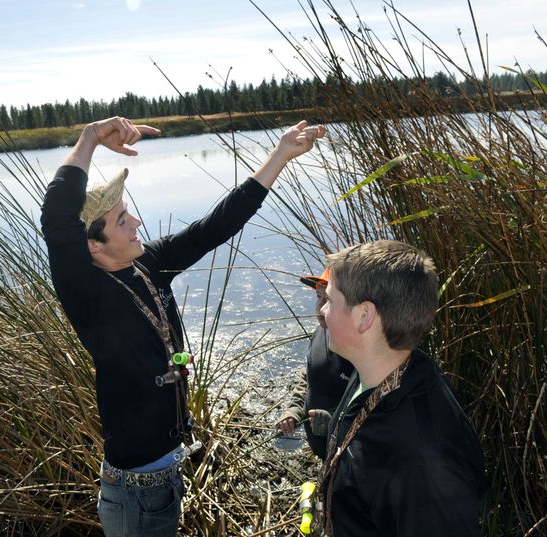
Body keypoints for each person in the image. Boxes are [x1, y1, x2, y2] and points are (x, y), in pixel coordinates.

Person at [40, 116, 326, 536]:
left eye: (128, 213)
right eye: (122, 220)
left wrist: (279, 157)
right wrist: (89, 139)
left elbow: (215, 226)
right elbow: (56, 218)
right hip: (134, 495)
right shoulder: (86, 292)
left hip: (164, 478)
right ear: (92, 245)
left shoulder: (148, 264)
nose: (136, 221)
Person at [316, 240, 484, 536]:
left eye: (330, 299)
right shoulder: (370, 374)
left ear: (364, 316)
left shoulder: (422, 464)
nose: (323, 312)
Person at [276, 268, 354, 459]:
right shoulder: (320, 333)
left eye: (327, 300)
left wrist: (334, 423)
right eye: (318, 296)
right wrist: (294, 409)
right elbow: (309, 378)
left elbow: (374, 412)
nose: (319, 307)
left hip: (348, 459)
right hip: (323, 452)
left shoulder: (360, 352)